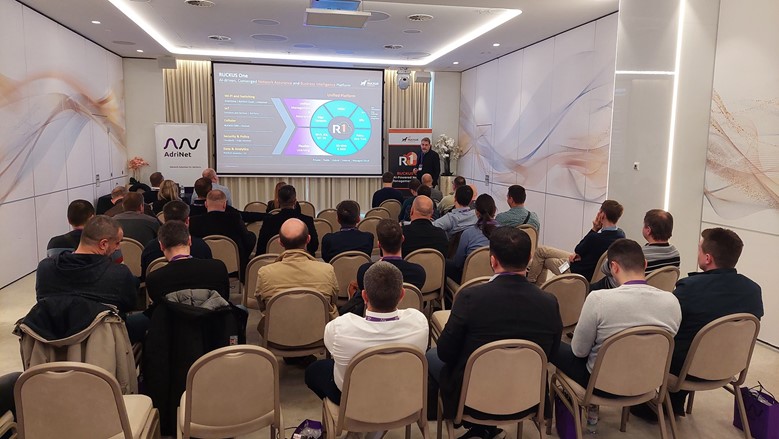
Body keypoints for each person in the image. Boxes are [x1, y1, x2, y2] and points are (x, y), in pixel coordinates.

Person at [427, 227, 563, 438]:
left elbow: (445, 352)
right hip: (528, 396)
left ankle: (470, 424)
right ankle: (485, 429)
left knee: (432, 356)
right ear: (529, 258)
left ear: (492, 260)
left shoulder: (470, 297)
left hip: (472, 399)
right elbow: (551, 354)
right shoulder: (549, 302)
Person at [634, 228, 763, 420]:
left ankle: (647, 400)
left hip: (686, 370)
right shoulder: (753, 290)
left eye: (700, 249)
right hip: (729, 366)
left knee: (644, 337)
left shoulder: (690, 288)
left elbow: (662, 323)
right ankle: (674, 402)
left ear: (708, 258)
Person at [552, 239, 681, 393]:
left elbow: (579, 351)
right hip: (648, 383)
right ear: (645, 264)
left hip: (600, 385)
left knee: (551, 342)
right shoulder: (672, 302)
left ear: (613, 267)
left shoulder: (598, 299)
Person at [305, 261, 429, 404]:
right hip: (402, 394)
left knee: (315, 370)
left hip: (354, 399)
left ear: (364, 296)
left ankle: (345, 412)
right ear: (402, 294)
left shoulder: (340, 328)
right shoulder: (419, 322)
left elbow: (331, 348)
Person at [36, 215, 137, 315]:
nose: (118, 248)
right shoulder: (119, 274)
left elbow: (41, 301)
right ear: (103, 244)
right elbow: (129, 306)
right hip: (102, 325)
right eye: (117, 243)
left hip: (53, 324)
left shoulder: (45, 268)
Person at [255, 218, 339, 320]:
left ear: (280, 242)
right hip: (320, 327)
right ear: (308, 239)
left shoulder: (265, 273)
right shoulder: (327, 270)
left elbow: (263, 306)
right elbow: (333, 300)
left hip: (278, 327)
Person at [340, 219, 426, 316]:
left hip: (374, 322)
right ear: (402, 239)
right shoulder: (418, 273)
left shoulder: (365, 271)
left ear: (379, 244)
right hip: (406, 319)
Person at [527, 199, 625, 285]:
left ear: (602, 215)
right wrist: (579, 254)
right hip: (582, 263)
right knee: (542, 251)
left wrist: (594, 228)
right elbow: (581, 251)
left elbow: (578, 249)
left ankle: (530, 283)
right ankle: (536, 287)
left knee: (544, 258)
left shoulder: (595, 238)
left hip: (574, 271)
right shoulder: (621, 235)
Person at [591, 209, 681, 290]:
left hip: (619, 291)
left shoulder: (638, 255)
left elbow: (605, 269)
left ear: (648, 230)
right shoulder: (675, 254)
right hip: (654, 295)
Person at [146, 220, 230, 303]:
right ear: (189, 241)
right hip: (213, 312)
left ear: (161, 246)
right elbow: (224, 300)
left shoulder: (154, 279)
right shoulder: (218, 268)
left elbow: (159, 308)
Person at [189, 189, 256, 280]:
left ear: (206, 204)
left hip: (204, 268)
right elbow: (248, 241)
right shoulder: (234, 219)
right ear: (225, 204)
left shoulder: (194, 221)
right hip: (233, 268)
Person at [140, 200, 212, 279]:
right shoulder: (202, 247)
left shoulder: (150, 249)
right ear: (187, 221)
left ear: (164, 220)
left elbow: (145, 277)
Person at [446, 194, 498, 284]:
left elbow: (458, 264)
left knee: (445, 263)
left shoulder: (468, 234)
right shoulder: (504, 231)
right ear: (494, 210)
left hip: (470, 281)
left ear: (476, 212)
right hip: (495, 278)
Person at [256, 184, 318, 256]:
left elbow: (261, 249)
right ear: (295, 201)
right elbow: (314, 246)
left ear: (278, 201)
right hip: (303, 261)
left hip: (274, 262)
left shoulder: (269, 221)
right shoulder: (307, 220)